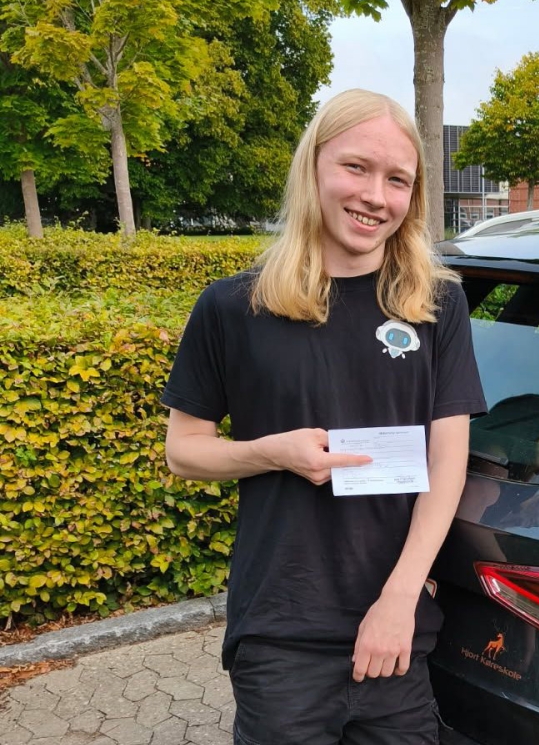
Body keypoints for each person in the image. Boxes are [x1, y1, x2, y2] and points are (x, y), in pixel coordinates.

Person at [162, 88, 487, 745]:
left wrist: (400, 599)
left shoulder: (436, 306)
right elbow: (184, 450)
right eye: (356, 167)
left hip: (395, 627)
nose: (375, 196)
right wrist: (269, 453)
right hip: (279, 636)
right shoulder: (232, 307)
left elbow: (446, 462)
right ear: (313, 167)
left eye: (397, 179)